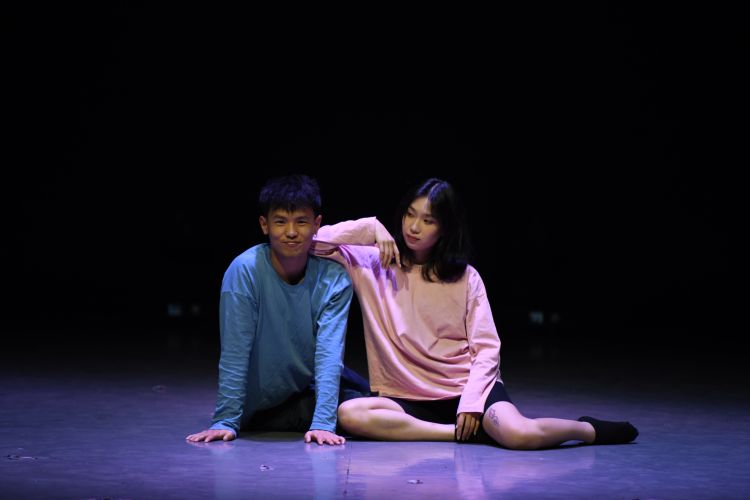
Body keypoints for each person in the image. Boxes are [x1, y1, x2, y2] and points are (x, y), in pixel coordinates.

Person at [311, 178, 638, 448]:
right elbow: (311, 242)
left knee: (519, 435)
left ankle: (585, 429)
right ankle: (456, 434)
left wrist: (470, 403)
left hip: (466, 389)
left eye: (428, 220)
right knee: (350, 413)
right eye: (410, 215)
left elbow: (487, 348)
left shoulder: (465, 277)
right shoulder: (371, 263)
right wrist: (370, 227)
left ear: (445, 228)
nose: (414, 227)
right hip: (406, 397)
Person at [186, 174, 367, 446]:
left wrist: (323, 424)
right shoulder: (244, 272)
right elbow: (235, 352)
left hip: (305, 382)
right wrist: (226, 419)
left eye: (301, 222)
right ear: (264, 225)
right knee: (363, 413)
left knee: (379, 400)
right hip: (267, 406)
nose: (291, 232)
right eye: (280, 221)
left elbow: (329, 354)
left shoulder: (334, 279)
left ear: (317, 224)